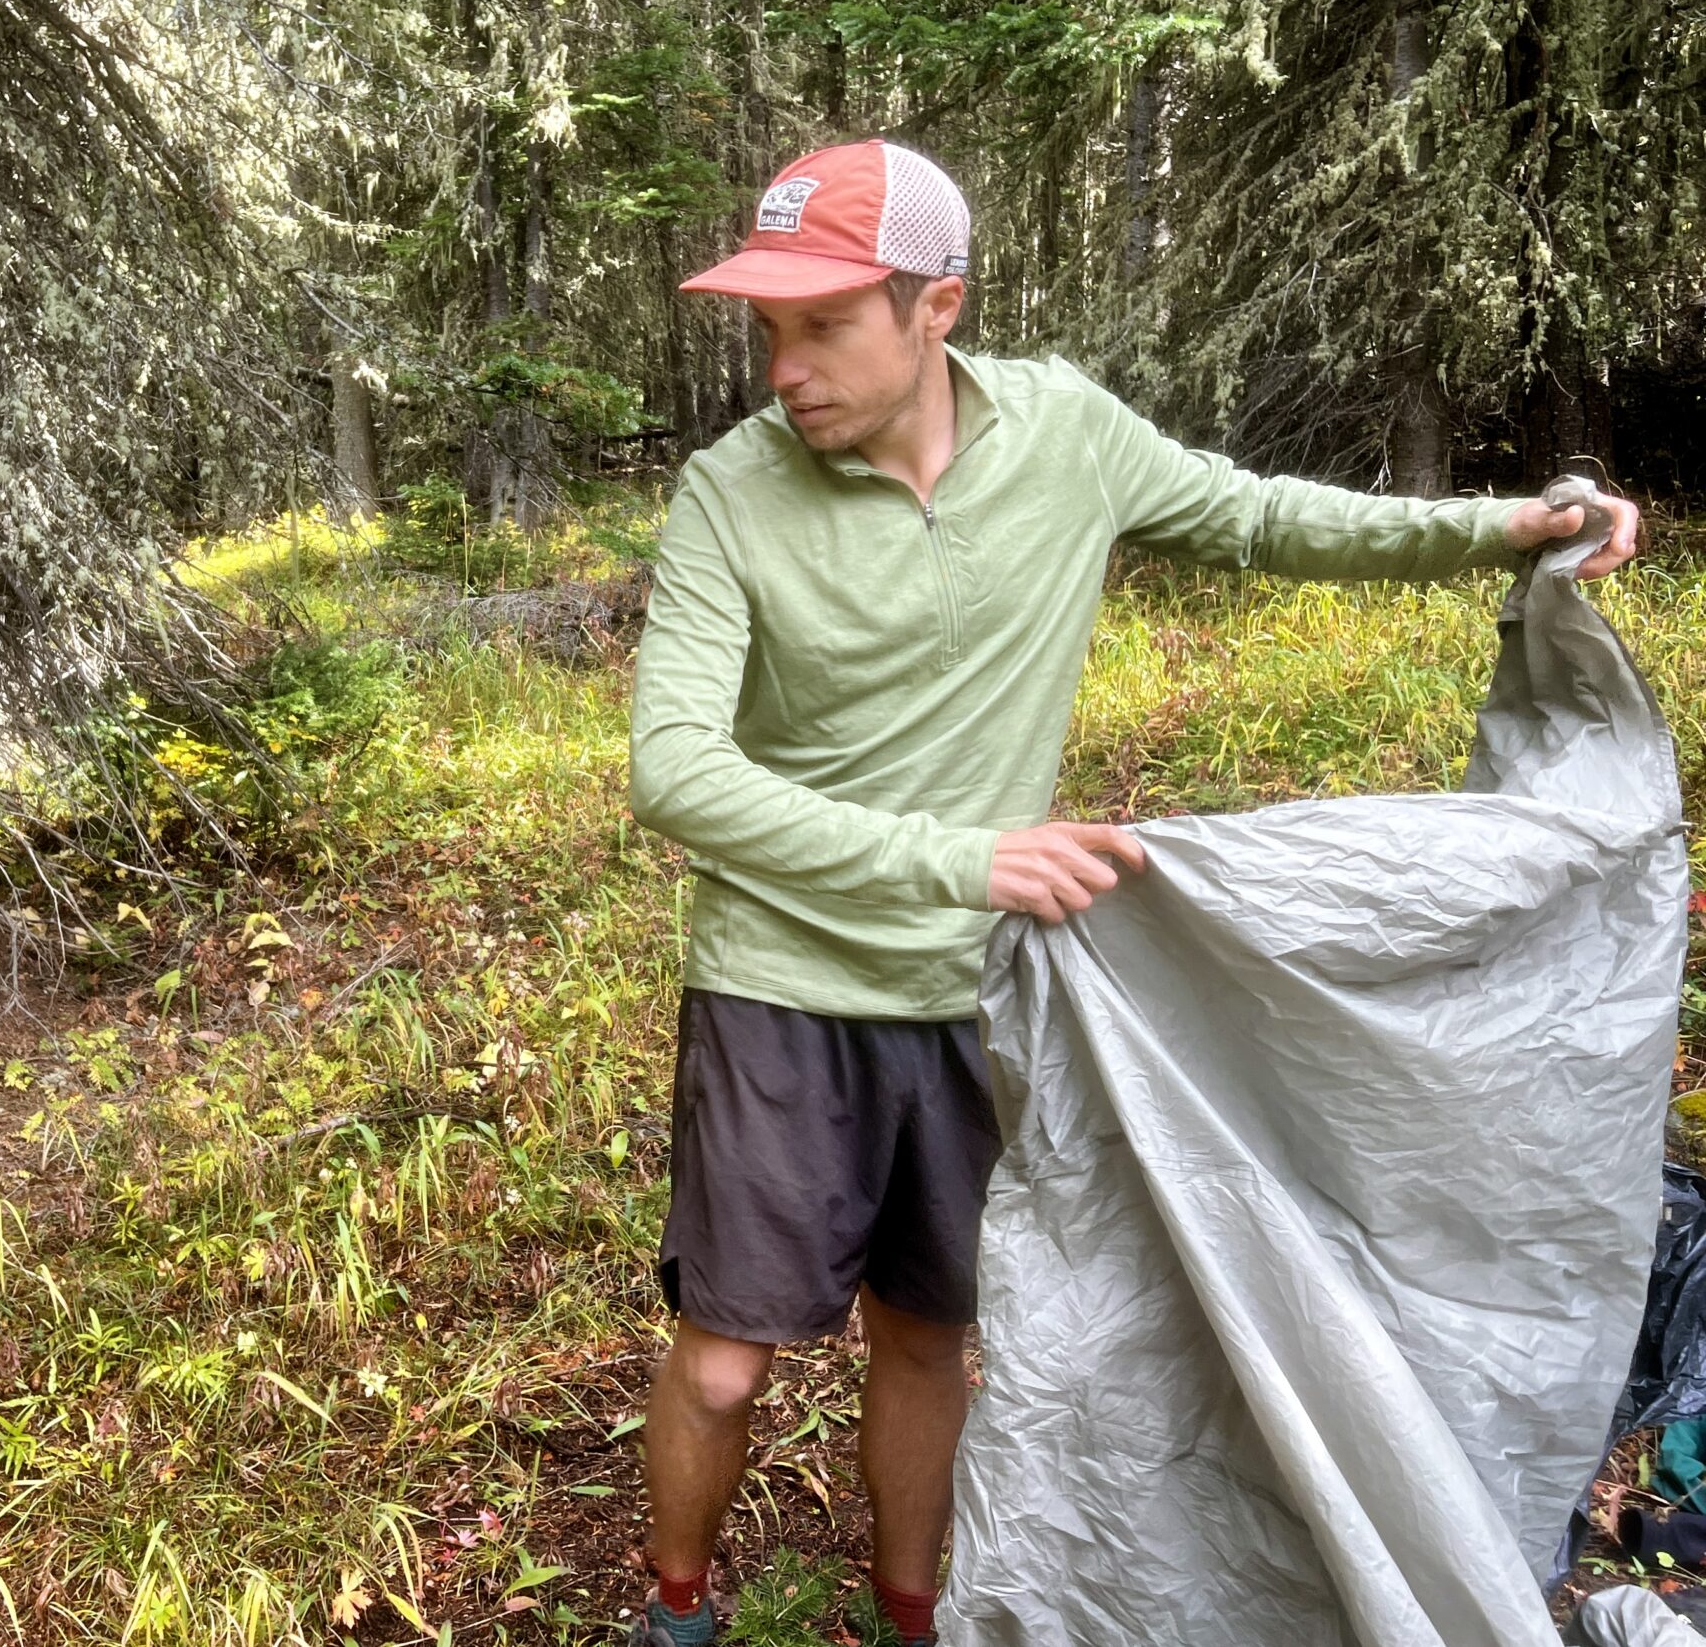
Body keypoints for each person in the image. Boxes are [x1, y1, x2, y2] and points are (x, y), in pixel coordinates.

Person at [620, 138, 1640, 1647]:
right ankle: (676, 1619)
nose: (786, 367)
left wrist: (1501, 525)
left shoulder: (1068, 440)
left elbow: (1264, 515)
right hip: (785, 984)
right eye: (769, 327)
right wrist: (963, 859)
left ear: (936, 306)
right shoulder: (731, 494)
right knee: (722, 1365)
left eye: (824, 323)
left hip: (979, 996)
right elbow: (676, 773)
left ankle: (920, 1617)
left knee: (930, 1340)